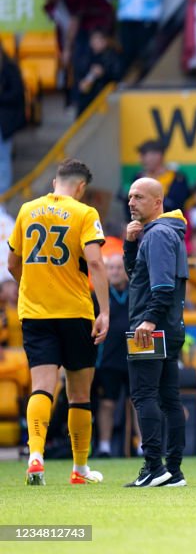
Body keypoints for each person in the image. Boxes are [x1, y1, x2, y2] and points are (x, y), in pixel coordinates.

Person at [8, 159, 109, 486]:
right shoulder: (84, 213)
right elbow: (94, 261)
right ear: (81, 187)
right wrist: (104, 311)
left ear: (55, 181)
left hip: (36, 314)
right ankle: (79, 469)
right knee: (79, 394)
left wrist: (31, 286)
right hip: (75, 311)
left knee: (42, 386)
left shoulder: (27, 210)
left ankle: (35, 455)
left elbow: (12, 262)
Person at [123, 176, 189, 487]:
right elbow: (137, 276)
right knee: (167, 398)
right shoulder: (157, 233)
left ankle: (154, 467)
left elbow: (162, 287)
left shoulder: (159, 234)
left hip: (151, 328)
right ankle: (172, 471)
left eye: (138, 197)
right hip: (167, 325)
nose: (131, 202)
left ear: (157, 202)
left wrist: (147, 321)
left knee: (143, 394)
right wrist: (129, 244)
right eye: (130, 196)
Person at [93, 252, 137, 458]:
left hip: (134, 356)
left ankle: (143, 445)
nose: (115, 272)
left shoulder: (135, 292)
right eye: (111, 268)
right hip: (108, 359)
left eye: (119, 268)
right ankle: (104, 446)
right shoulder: (99, 296)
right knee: (107, 402)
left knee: (138, 401)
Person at [126, 140, 191, 214]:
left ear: (158, 156)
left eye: (144, 154)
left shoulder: (177, 178)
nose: (140, 159)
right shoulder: (138, 178)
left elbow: (178, 206)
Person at [0, 48, 27, 194]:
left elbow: (17, 94)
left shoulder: (10, 69)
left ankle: (3, 195)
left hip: (4, 121)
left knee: (3, 158)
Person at [75, 29, 121, 115]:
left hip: (105, 97)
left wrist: (103, 73)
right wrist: (81, 83)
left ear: (105, 42)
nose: (97, 43)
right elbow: (79, 75)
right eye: (94, 40)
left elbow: (117, 76)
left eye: (100, 40)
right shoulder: (85, 57)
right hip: (87, 97)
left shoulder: (111, 57)